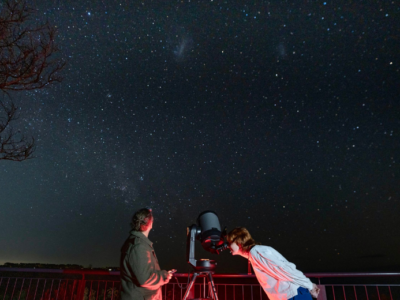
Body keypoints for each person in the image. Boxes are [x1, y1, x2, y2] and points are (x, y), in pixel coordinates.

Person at [227, 227, 320, 300]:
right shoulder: (254, 253)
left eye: (230, 242)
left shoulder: (256, 252)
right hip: (288, 295)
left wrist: (310, 285)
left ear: (238, 240)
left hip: (293, 295)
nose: (227, 245)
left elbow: (285, 269)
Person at [120, 208, 173, 300]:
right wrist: (164, 275)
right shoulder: (139, 246)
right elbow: (145, 279)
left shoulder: (138, 242)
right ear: (150, 223)